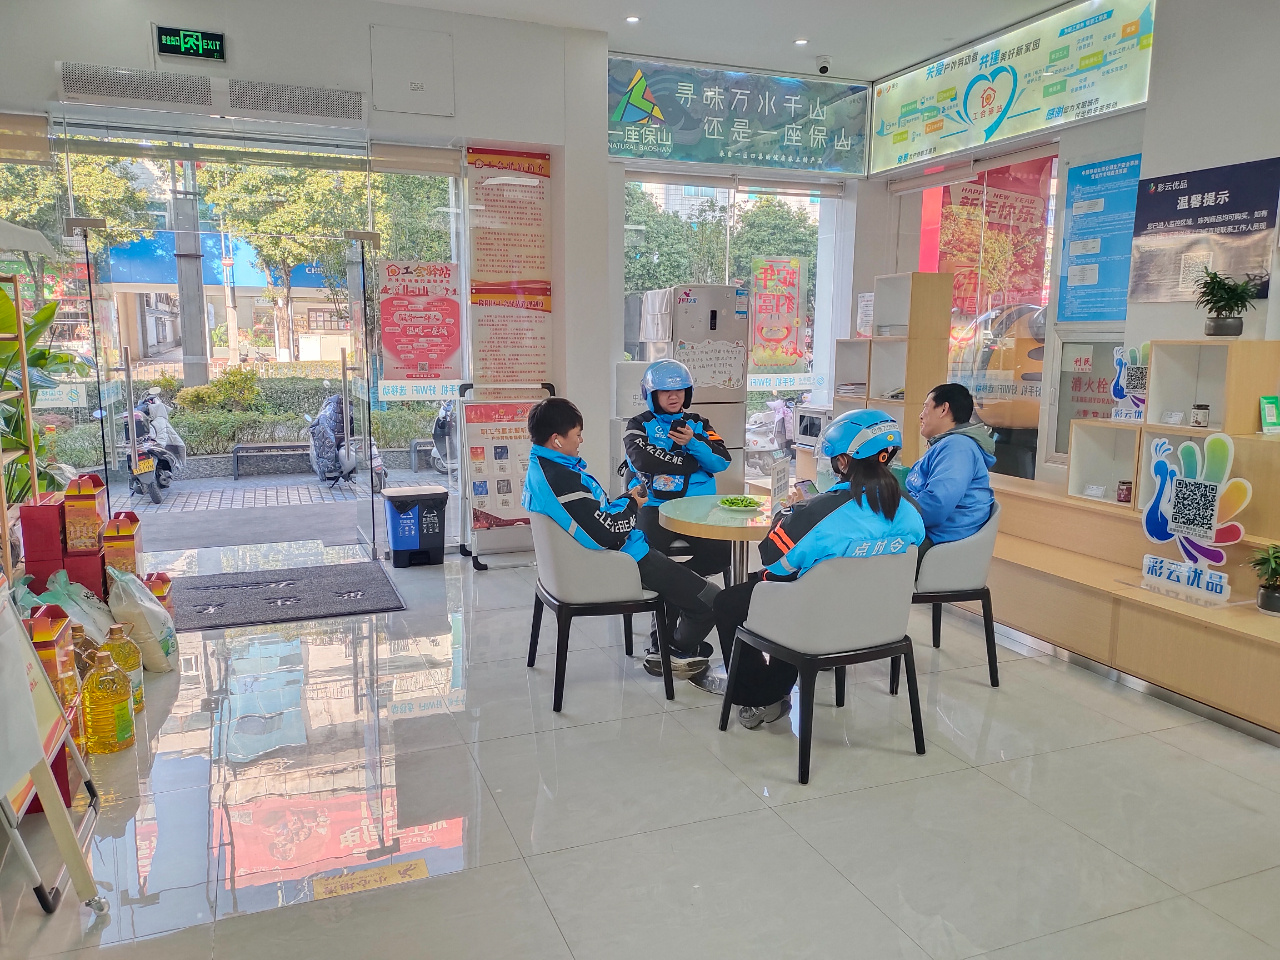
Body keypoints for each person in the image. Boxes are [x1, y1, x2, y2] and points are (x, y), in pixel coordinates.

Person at [713, 409, 925, 729]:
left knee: (730, 601)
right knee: (796, 592)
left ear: (843, 461)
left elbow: (774, 560)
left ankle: (760, 698)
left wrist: (788, 512)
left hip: (820, 621)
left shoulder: (819, 511)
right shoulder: (911, 509)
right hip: (882, 622)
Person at [523, 397, 719, 679]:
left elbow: (591, 517)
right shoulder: (560, 478)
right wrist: (631, 505)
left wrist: (625, 500)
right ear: (556, 440)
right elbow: (605, 533)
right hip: (619, 561)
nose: (581, 440)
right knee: (711, 599)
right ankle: (674, 651)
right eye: (577, 434)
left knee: (680, 581)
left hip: (601, 558)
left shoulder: (544, 467)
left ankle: (667, 648)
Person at [906, 383, 995, 549]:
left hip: (937, 539)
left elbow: (936, 506)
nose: (921, 415)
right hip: (928, 530)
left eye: (926, 407)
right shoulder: (950, 444)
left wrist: (891, 515)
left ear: (943, 409)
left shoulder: (958, 447)